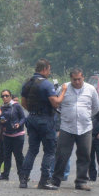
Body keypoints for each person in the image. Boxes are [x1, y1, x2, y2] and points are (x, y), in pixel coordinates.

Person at [19, 59, 67, 189]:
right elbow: (56, 103)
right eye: (49, 69)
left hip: (32, 118)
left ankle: (23, 179)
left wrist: (33, 111)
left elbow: (23, 102)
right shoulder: (46, 84)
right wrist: (63, 91)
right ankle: (44, 180)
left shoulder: (27, 83)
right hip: (45, 120)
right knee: (49, 151)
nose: (49, 72)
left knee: (32, 150)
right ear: (44, 69)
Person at [51, 68, 99, 190]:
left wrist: (85, 116)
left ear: (83, 77)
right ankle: (56, 180)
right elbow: (57, 105)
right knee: (62, 154)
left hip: (85, 127)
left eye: (79, 79)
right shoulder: (64, 88)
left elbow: (95, 107)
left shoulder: (91, 89)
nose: (77, 82)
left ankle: (81, 181)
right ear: (70, 79)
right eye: (74, 80)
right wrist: (66, 116)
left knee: (84, 155)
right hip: (67, 127)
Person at [0, 90, 26, 180]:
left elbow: (23, 118)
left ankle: (22, 176)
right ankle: (5, 175)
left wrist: (19, 124)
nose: (5, 97)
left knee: (18, 156)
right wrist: (1, 122)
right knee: (6, 155)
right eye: (3, 96)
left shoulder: (16, 106)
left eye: (6, 95)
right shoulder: (1, 108)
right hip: (6, 135)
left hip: (18, 135)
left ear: (10, 96)